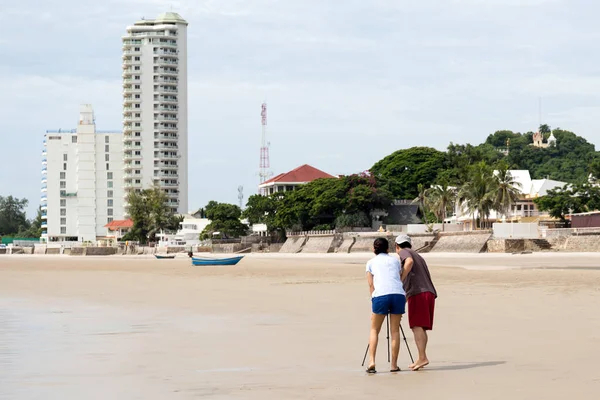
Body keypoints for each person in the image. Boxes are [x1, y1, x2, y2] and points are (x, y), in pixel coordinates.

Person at [395, 234, 437, 371]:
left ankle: (422, 357)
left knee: (416, 325)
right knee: (421, 326)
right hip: (428, 292)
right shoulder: (418, 255)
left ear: (396, 246)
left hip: (418, 292)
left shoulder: (403, 252)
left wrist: (400, 279)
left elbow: (409, 262)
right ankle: (420, 358)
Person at [365, 237, 406, 374]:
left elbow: (371, 285)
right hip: (398, 294)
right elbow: (397, 275)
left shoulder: (370, 263)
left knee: (374, 330)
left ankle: (372, 361)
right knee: (395, 331)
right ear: (388, 249)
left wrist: (373, 301)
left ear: (374, 249)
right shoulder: (395, 260)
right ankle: (394, 365)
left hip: (381, 295)